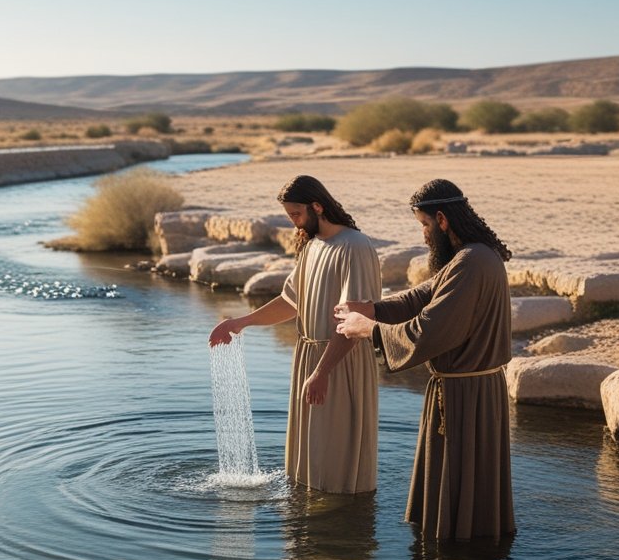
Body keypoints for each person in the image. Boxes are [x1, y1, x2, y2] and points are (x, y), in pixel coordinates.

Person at [334, 179, 514, 539]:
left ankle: (460, 558)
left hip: (465, 396)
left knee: (458, 500)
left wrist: (368, 328)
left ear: (443, 219)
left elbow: (428, 328)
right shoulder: (474, 255)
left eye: (425, 225)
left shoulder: (471, 262)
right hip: (473, 390)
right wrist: (372, 308)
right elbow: (422, 296)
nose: (424, 235)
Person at [209, 175, 381, 494]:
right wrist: (240, 322)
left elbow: (355, 320)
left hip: (339, 360)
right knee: (306, 462)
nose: (294, 223)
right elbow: (292, 301)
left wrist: (321, 372)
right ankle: (305, 520)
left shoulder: (355, 247)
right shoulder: (312, 245)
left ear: (317, 206)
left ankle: (343, 526)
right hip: (310, 359)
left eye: (296, 215)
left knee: (333, 460)